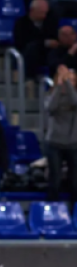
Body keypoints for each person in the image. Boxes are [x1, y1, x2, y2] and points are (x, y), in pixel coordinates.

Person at [43, 65, 77, 203]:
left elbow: (75, 101)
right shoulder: (52, 95)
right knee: (55, 181)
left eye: (73, 80)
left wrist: (67, 83)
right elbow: (50, 107)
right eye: (66, 79)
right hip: (54, 144)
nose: (69, 82)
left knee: (75, 182)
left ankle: (74, 214)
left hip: (73, 144)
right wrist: (59, 86)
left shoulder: (74, 97)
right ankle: (53, 212)